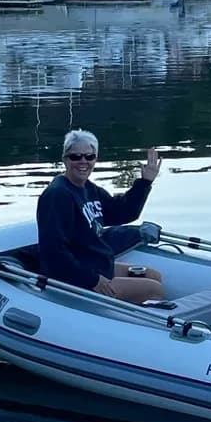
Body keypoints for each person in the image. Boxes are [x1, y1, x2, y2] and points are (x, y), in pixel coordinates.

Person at [37, 129, 165, 304]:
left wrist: (145, 182)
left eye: (89, 157)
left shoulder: (89, 188)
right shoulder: (57, 195)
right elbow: (53, 252)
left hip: (92, 264)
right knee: (154, 289)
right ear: (65, 159)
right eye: (76, 156)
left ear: (95, 159)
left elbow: (122, 212)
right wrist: (92, 280)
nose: (83, 161)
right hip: (73, 277)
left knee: (154, 276)